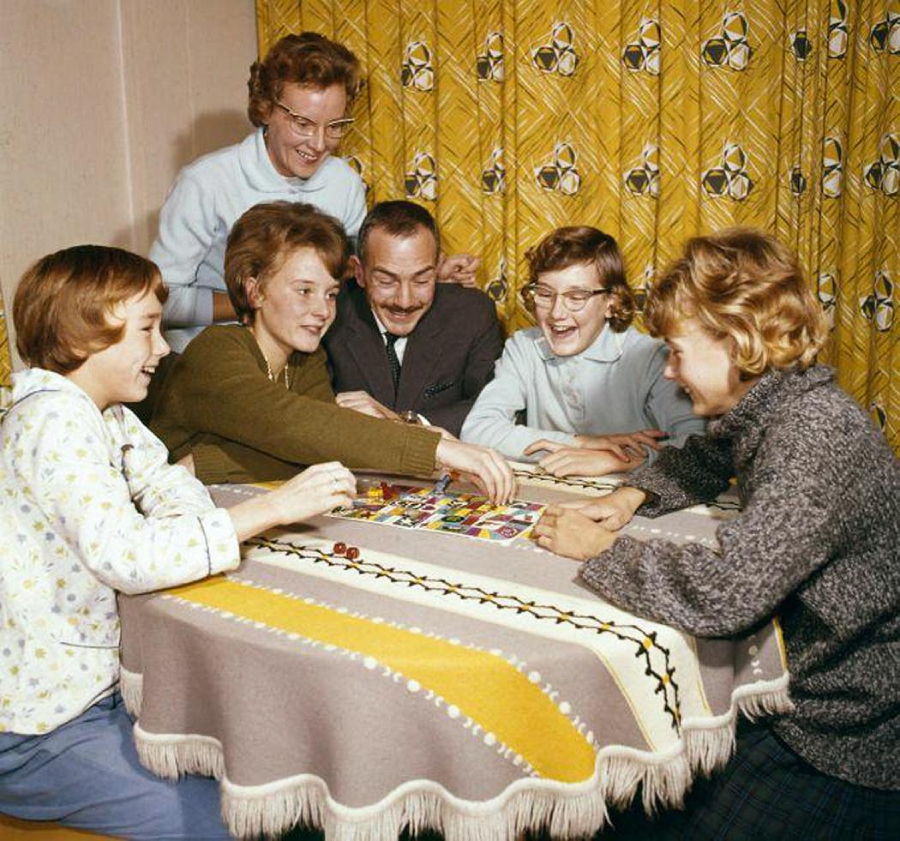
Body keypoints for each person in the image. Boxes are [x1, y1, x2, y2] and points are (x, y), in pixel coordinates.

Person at [533, 229, 899, 838]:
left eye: (677, 351)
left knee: (615, 809)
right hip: (803, 693)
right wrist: (633, 494)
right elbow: (708, 457)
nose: (671, 373)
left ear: (737, 341)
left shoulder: (814, 434)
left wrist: (603, 549)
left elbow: (728, 595)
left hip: (842, 732)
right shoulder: (778, 403)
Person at [0, 245, 356, 839]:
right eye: (147, 330)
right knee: (232, 819)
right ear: (85, 335)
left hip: (99, 695)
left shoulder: (99, 413)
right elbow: (129, 556)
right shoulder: (52, 423)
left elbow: (168, 481)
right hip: (40, 731)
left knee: (269, 773)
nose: (163, 348)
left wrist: (185, 528)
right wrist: (270, 510)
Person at [150, 201, 515, 503]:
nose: (323, 310)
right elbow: (294, 424)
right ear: (255, 291)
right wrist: (437, 448)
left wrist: (206, 462)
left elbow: (319, 449)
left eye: (330, 294)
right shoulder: (216, 351)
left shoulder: (306, 361)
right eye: (304, 291)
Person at [152, 32, 479, 352]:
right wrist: (263, 303)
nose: (319, 144)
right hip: (216, 355)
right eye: (303, 124)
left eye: (334, 126)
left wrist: (427, 275)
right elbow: (161, 301)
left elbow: (354, 272)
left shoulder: (344, 182)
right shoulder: (205, 182)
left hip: (307, 357)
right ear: (266, 107)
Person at [460, 226, 704, 475]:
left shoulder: (652, 357)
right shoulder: (523, 347)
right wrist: (581, 443)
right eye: (545, 294)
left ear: (612, 302)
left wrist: (619, 460)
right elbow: (477, 430)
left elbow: (699, 445)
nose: (557, 313)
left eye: (576, 296)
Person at [323, 200, 503, 436]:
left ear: (437, 267)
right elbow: (310, 416)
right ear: (359, 272)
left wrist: (404, 423)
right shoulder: (328, 313)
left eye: (421, 280)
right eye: (386, 281)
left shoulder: (472, 313)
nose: (404, 301)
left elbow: (494, 407)